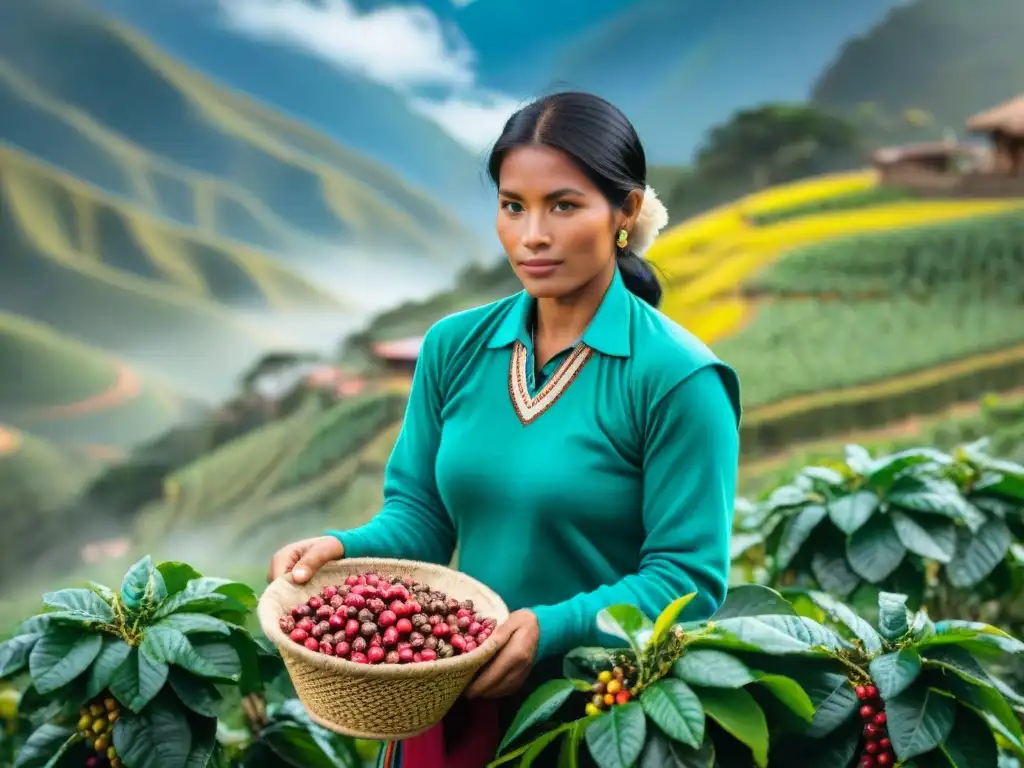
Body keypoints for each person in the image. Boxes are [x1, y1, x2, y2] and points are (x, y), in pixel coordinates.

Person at [268, 90, 741, 768]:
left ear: (626, 211)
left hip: (595, 717)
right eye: (513, 205)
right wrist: (339, 548)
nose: (532, 236)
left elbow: (686, 580)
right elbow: (422, 518)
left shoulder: (678, 380)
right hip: (443, 697)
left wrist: (550, 630)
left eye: (564, 205)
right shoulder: (454, 346)